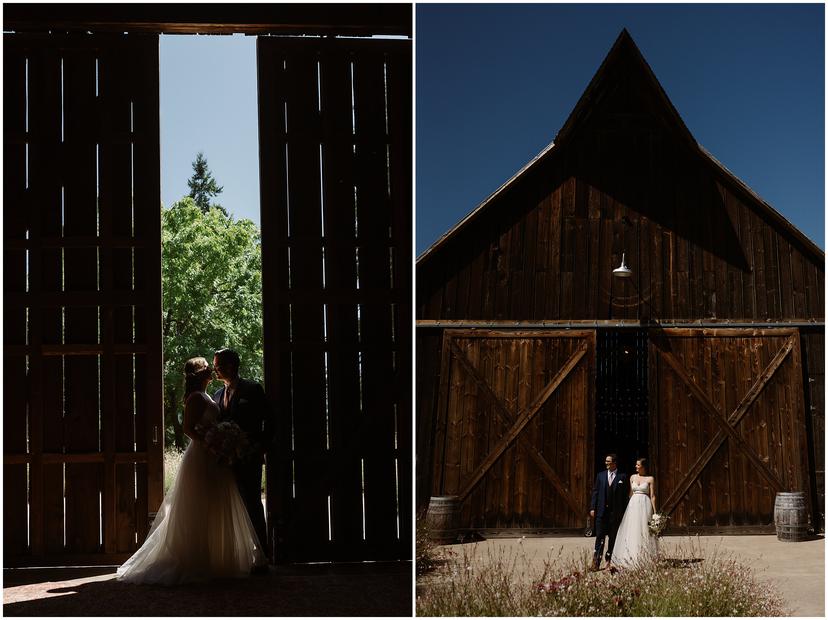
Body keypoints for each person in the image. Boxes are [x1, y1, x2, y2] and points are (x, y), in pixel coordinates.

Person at [117, 357, 267, 585]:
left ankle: (220, 560)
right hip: (202, 456)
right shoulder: (197, 398)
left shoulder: (212, 395)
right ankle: (196, 561)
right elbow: (188, 428)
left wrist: (223, 441)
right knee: (200, 507)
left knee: (217, 507)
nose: (212, 368)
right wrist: (210, 442)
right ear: (199, 373)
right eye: (207, 365)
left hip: (217, 457)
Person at [212, 348, 274, 565]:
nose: (215, 370)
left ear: (231, 366)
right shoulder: (217, 396)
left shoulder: (253, 389)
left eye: (218, 366)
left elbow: (271, 421)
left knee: (253, 505)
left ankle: (263, 554)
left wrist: (260, 448)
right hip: (226, 462)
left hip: (249, 457)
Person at [611, 457, 658, 568]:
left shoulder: (650, 479)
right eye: (636, 465)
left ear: (643, 466)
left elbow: (652, 496)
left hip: (644, 504)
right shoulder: (632, 477)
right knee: (632, 529)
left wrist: (655, 512)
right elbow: (630, 494)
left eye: (638, 465)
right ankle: (630, 556)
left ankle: (645, 557)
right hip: (633, 505)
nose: (636, 467)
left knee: (643, 529)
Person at [589, 453, 629, 570]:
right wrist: (592, 507)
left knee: (613, 538)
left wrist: (624, 512)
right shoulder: (600, 476)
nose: (606, 463)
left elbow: (624, 496)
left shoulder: (622, 477)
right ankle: (596, 563)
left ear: (614, 463)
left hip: (615, 514)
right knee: (599, 538)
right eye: (606, 461)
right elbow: (595, 492)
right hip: (601, 513)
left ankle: (609, 561)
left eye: (608, 461)